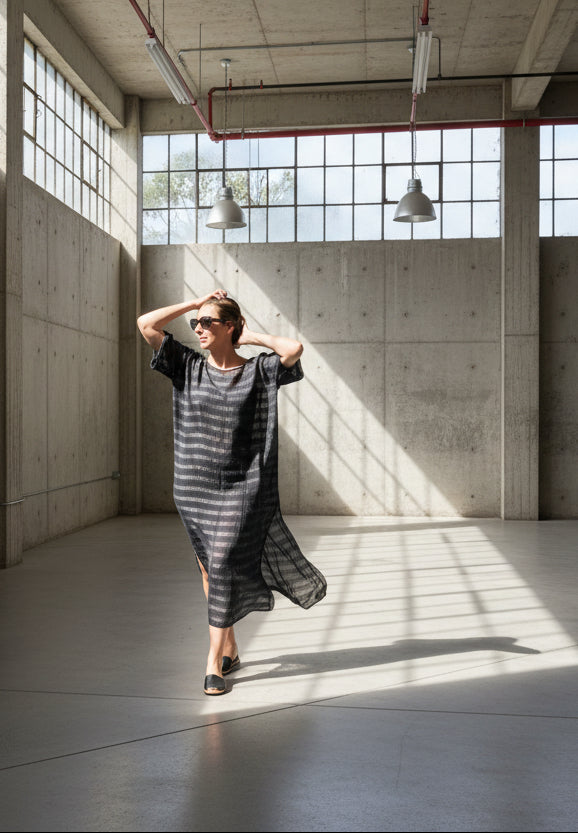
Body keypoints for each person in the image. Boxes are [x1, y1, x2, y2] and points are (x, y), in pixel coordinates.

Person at [137, 290, 327, 696]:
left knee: (221, 562)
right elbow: (146, 324)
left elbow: (293, 349)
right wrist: (192, 305)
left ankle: (212, 664)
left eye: (208, 323)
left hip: (244, 487)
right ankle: (231, 647)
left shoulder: (260, 371)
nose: (199, 329)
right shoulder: (187, 366)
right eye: (196, 324)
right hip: (194, 488)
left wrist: (250, 336)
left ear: (229, 328)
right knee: (210, 568)